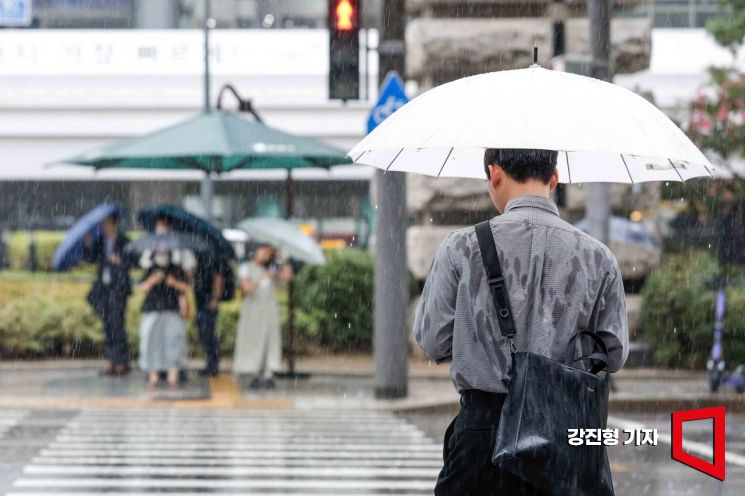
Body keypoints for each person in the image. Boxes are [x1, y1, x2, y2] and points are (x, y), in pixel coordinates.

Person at [413, 148, 629, 495]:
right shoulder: (598, 257)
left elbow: (432, 340)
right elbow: (613, 354)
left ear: (494, 173)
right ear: (554, 178)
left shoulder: (462, 247)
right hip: (565, 435)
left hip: (482, 435)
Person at [233, 243, 292, 389]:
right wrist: (265, 276)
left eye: (269, 252)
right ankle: (253, 372)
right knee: (253, 340)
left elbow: (287, 277)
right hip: (253, 311)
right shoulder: (245, 267)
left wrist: (282, 259)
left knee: (270, 340)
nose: (266, 254)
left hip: (269, 311)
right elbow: (247, 288)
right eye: (264, 251)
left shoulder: (272, 268)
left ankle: (268, 373)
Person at [84, 212, 132, 376]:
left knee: (118, 325)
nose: (103, 227)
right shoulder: (100, 242)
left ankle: (122, 362)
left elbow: (133, 262)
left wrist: (118, 261)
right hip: (103, 290)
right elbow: (91, 259)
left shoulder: (124, 242)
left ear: (113, 224)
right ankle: (112, 360)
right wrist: (89, 244)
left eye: (106, 224)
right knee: (108, 326)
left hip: (118, 290)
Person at [137, 250, 190, 389]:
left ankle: (173, 377)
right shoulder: (150, 270)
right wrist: (153, 280)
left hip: (172, 310)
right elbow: (142, 287)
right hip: (152, 310)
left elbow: (186, 287)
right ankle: (153, 376)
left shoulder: (176, 269)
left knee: (173, 343)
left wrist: (173, 283)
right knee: (151, 343)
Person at [193, 251, 226, 377]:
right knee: (204, 332)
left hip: (208, 302)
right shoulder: (199, 258)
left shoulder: (212, 257)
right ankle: (211, 363)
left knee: (207, 332)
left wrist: (215, 298)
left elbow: (219, 278)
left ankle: (213, 364)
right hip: (200, 301)